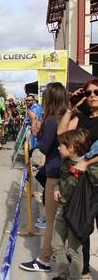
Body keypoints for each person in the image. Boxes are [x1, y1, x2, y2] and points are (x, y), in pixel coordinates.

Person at [20, 82, 69, 273]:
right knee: (61, 219)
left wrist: (35, 128)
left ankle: (44, 259)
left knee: (51, 220)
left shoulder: (52, 121)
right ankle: (59, 252)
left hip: (55, 173)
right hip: (69, 173)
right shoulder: (69, 116)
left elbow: (45, 146)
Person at [57, 78, 98, 278]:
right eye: (88, 93)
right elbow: (61, 134)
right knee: (82, 226)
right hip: (82, 181)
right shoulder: (82, 117)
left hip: (95, 177)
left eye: (96, 92)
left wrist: (87, 163)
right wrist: (72, 108)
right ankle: (84, 271)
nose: (92, 96)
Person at [52, 129, 91, 280]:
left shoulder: (87, 167)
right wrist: (56, 189)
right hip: (62, 208)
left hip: (77, 213)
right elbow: (60, 181)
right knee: (56, 244)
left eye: (61, 145)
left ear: (72, 147)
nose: (58, 148)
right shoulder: (65, 162)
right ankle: (63, 275)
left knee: (74, 251)